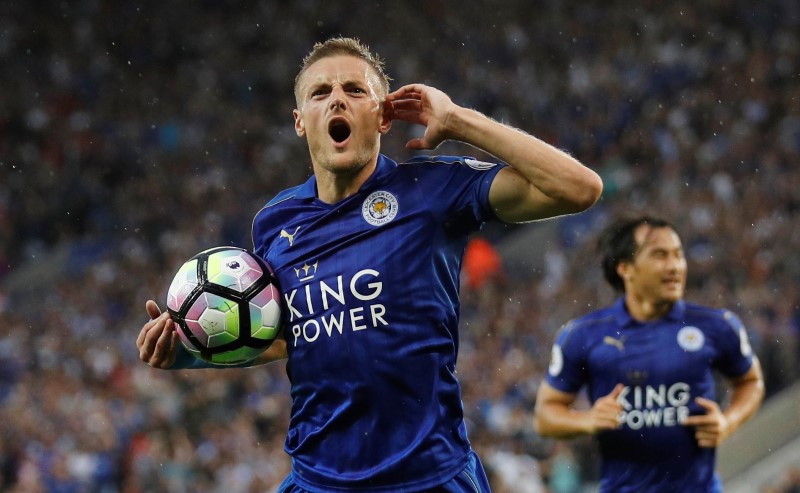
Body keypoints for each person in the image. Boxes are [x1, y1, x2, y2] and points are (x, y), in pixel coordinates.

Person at [137, 36, 603, 492]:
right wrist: (192, 354)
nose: (337, 100)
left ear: (383, 117)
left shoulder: (431, 191)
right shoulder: (275, 224)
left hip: (429, 478)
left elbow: (578, 188)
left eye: (355, 90)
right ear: (301, 122)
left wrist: (460, 121)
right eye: (321, 92)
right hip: (317, 480)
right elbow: (287, 336)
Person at [534, 215, 765, 492]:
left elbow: (751, 382)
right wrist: (588, 420)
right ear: (625, 268)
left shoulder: (716, 326)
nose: (675, 266)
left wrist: (729, 420)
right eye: (660, 255)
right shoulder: (583, 335)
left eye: (678, 255)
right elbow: (545, 416)